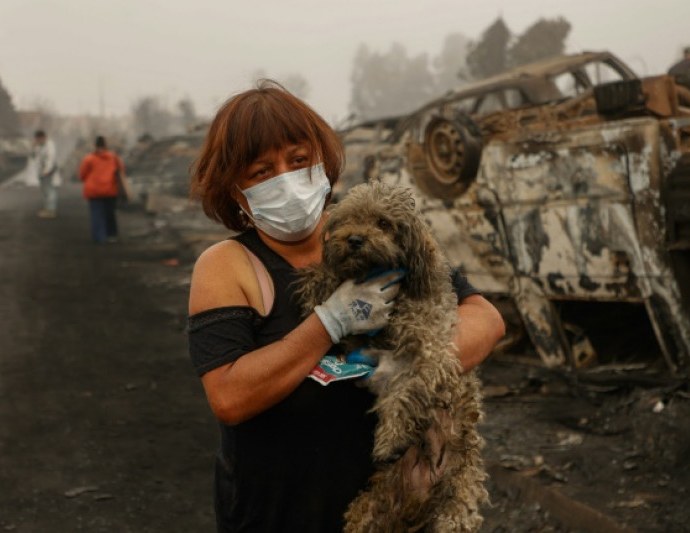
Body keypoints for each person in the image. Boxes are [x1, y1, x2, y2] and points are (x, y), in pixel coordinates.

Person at [187, 80, 506, 532]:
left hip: (396, 512)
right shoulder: (227, 265)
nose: (285, 179)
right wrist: (330, 321)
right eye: (261, 172)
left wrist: (410, 366)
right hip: (280, 517)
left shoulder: (378, 230)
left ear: (323, 162)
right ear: (235, 191)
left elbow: (486, 320)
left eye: (298, 161)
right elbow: (231, 396)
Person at [77, 136, 126, 243]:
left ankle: (99, 237)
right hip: (110, 190)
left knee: (97, 214)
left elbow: (82, 175)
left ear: (95, 146)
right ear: (106, 145)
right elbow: (121, 172)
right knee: (110, 213)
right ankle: (112, 235)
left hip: (94, 191)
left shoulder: (88, 159)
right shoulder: (114, 157)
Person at [32, 130, 59, 218]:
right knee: (44, 190)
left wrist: (46, 170)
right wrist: (33, 147)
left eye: (38, 139)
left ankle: (51, 210)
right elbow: (33, 156)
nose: (37, 141)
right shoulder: (39, 146)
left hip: (48, 169)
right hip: (42, 169)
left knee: (49, 189)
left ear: (42, 137)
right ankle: (47, 208)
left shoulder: (49, 145)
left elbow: (50, 158)